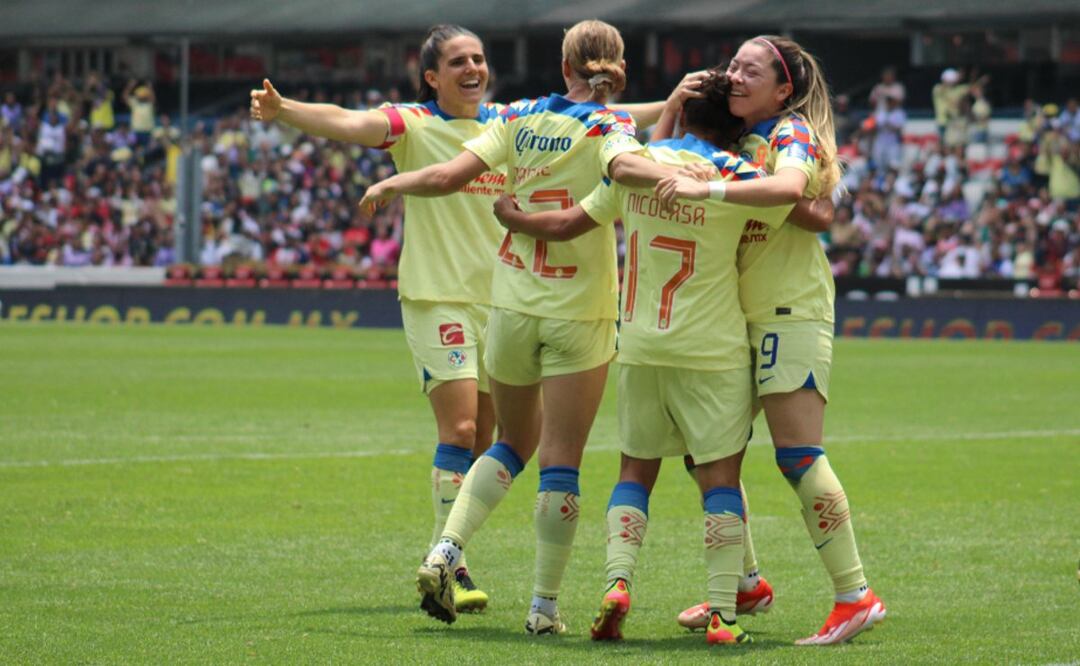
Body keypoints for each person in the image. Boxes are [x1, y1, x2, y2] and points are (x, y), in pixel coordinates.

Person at [360, 19, 671, 635]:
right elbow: (626, 167)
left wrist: (395, 180)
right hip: (576, 312)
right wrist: (678, 173)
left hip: (508, 308)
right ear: (619, 71)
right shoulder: (610, 126)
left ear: (563, 69)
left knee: (509, 443)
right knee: (560, 463)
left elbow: (448, 176)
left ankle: (445, 550)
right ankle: (542, 609)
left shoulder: (520, 114)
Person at [492, 68, 797, 647]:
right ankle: (725, 617)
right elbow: (797, 213)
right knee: (720, 479)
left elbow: (565, 223)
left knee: (635, 470)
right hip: (712, 349)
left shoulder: (638, 169)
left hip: (639, 345)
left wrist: (515, 220)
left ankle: (617, 584)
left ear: (682, 113)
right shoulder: (737, 174)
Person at [250, 24, 506, 613]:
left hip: (501, 302)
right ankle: (454, 566)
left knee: (488, 442)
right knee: (461, 432)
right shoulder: (413, 123)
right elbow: (347, 119)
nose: (473, 68)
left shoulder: (508, 124)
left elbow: (599, 114)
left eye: (479, 58)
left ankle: (448, 550)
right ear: (432, 77)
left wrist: (667, 104)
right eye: (459, 61)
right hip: (436, 296)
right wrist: (285, 109)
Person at [656, 35, 887, 645]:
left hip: (790, 311)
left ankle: (855, 595)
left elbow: (796, 196)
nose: (733, 75)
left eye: (749, 69)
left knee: (798, 454)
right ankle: (744, 584)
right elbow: (810, 208)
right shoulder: (739, 142)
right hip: (736, 318)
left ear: (784, 89)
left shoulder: (792, 134)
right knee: (707, 452)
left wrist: (707, 188)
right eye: (731, 65)